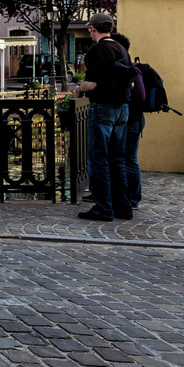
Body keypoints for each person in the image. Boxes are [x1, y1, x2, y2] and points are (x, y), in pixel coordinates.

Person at [75, 12, 134, 221]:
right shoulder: (121, 49)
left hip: (103, 108)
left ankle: (103, 208)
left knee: (98, 159)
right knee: (117, 160)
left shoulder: (96, 50)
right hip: (122, 109)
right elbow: (131, 81)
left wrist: (78, 89)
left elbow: (91, 84)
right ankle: (123, 208)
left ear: (93, 28)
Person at [113, 33, 144, 210]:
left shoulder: (133, 69)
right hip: (130, 119)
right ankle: (127, 197)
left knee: (129, 159)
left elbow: (140, 95)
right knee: (125, 159)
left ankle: (133, 199)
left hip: (133, 120)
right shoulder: (125, 67)